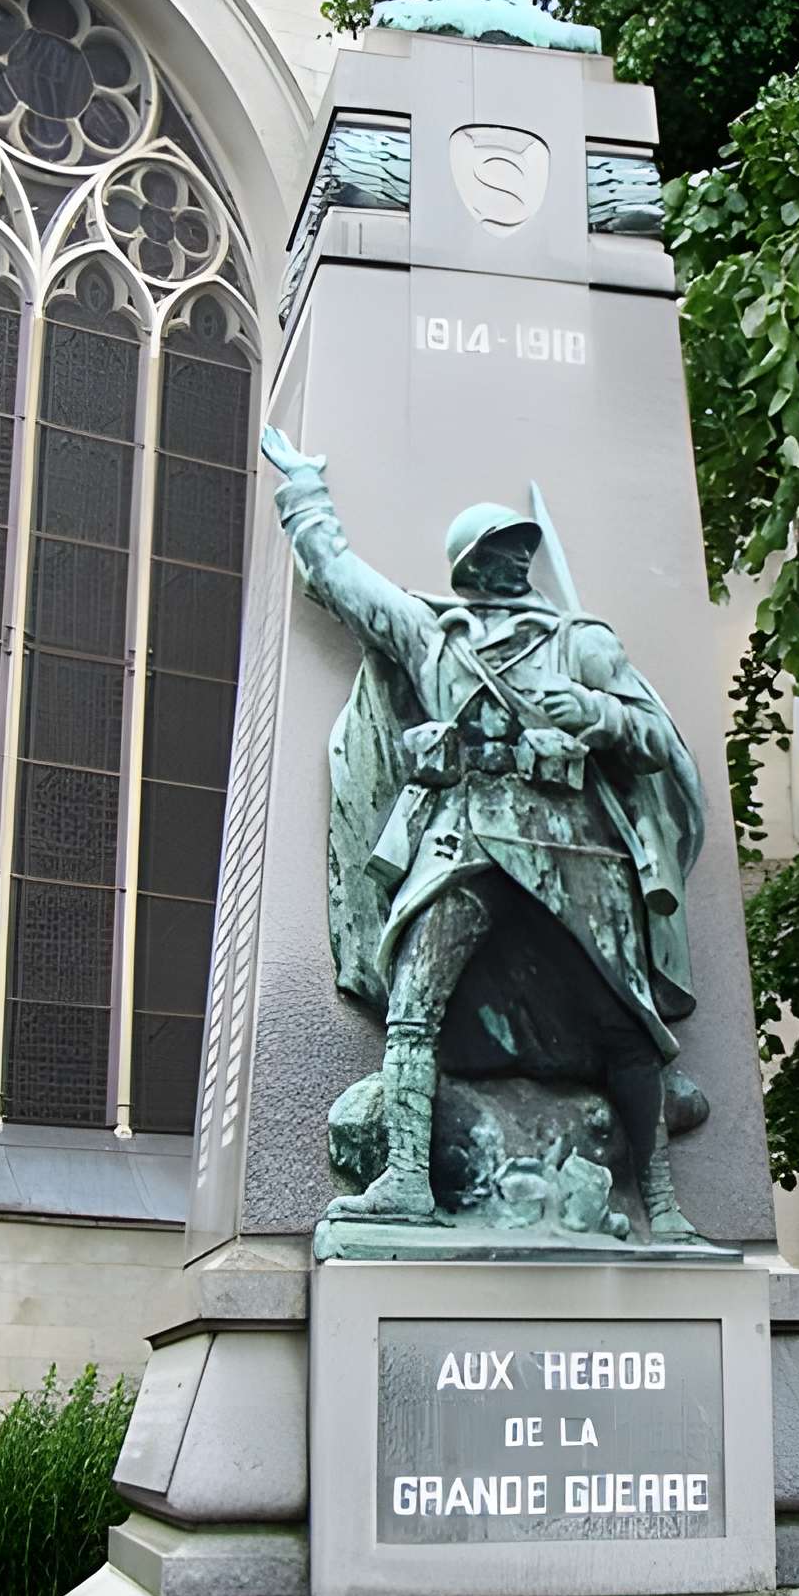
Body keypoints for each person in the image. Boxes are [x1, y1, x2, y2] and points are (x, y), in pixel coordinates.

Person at [261, 424, 704, 1237]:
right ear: (468, 566)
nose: (507, 560)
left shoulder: (581, 642)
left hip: (569, 844)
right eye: (494, 549)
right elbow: (340, 578)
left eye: (517, 547)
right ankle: (404, 1181)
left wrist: (597, 712)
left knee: (625, 1022)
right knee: (413, 1002)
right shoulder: (435, 634)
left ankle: (666, 1208)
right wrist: (304, 496)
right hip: (463, 836)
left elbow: (656, 741)